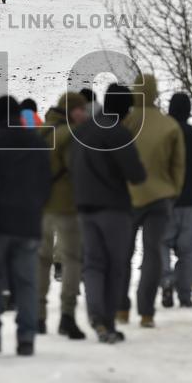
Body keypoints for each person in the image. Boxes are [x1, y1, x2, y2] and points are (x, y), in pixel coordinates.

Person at [72, 84, 147, 343]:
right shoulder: (119, 133)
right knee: (116, 265)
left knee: (92, 264)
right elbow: (136, 174)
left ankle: (95, 315)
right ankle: (108, 320)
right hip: (114, 208)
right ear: (126, 109)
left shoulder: (84, 130)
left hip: (84, 207)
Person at [0, 96, 51, 356]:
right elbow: (46, 182)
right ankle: (26, 337)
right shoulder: (38, 143)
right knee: (27, 282)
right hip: (28, 221)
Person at [119, 74, 185, 328]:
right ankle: (146, 311)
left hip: (127, 197)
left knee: (123, 254)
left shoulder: (126, 123)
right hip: (161, 197)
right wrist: (174, 191)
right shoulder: (170, 126)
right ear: (156, 93)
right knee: (153, 254)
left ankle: (121, 308)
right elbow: (178, 165)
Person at [37, 92, 88, 339]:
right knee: (72, 260)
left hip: (39, 205)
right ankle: (67, 315)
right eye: (81, 109)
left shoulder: (40, 132)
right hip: (66, 206)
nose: (85, 114)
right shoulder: (70, 135)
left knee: (41, 260)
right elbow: (78, 170)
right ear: (71, 110)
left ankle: (37, 315)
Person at [161, 93, 192, 309]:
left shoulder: (163, 134)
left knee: (162, 244)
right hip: (190, 201)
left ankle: (166, 280)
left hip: (165, 199)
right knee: (187, 251)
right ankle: (185, 294)